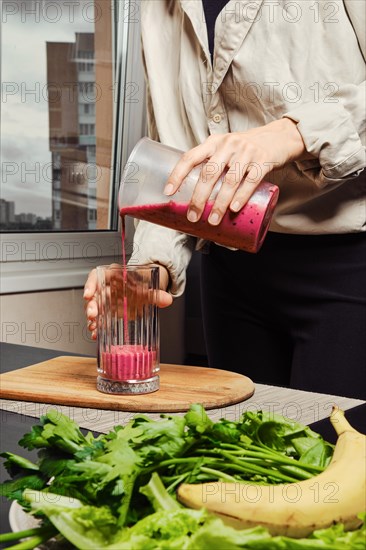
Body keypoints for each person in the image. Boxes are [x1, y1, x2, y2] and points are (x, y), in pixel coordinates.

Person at [84, 0, 366, 400]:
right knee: (237, 451)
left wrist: (294, 133)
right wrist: (150, 271)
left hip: (346, 261)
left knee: (336, 450)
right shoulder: (156, 6)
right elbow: (178, 155)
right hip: (230, 272)